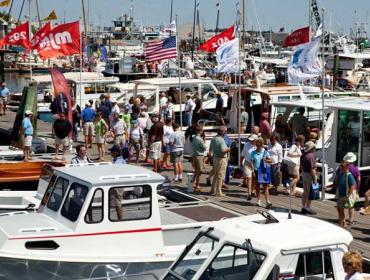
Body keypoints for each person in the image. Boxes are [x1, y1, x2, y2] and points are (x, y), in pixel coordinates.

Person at [250, 137, 272, 208]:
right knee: (257, 187)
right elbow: (252, 163)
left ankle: (267, 201)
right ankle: (258, 200)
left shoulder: (265, 152)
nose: (258, 146)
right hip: (257, 171)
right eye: (257, 145)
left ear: (262, 145)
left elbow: (271, 161)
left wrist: (265, 160)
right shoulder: (253, 153)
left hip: (264, 171)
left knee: (265, 187)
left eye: (259, 145)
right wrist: (253, 171)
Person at [209, 126, 230, 197]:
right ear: (222, 132)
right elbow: (223, 150)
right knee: (221, 176)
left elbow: (210, 148)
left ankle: (212, 189)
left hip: (215, 158)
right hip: (221, 159)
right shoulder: (221, 140)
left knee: (215, 174)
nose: (226, 132)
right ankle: (218, 191)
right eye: (225, 131)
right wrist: (229, 148)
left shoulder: (213, 139)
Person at [334, 161, 356, 228]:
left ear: (347, 167)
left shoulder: (349, 175)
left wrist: (348, 196)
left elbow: (352, 186)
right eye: (341, 166)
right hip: (340, 194)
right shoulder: (340, 174)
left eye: (343, 166)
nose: (341, 167)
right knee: (339, 209)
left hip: (345, 195)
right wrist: (327, 186)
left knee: (340, 209)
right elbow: (336, 184)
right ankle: (343, 223)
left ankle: (342, 224)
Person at [343, 152, 361, 225]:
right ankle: (351, 220)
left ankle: (342, 218)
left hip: (344, 188)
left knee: (342, 204)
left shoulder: (342, 167)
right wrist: (358, 188)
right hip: (352, 188)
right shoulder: (355, 169)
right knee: (351, 205)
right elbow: (359, 179)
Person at [301, 141, 317, 215]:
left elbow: (301, 166)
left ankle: (303, 207)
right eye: (314, 147)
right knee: (310, 192)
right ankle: (307, 208)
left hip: (304, 173)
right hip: (309, 175)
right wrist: (315, 178)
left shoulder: (303, 155)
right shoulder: (311, 156)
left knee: (305, 192)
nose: (315, 148)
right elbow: (312, 169)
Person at [241, 134, 258, 200]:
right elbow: (243, 154)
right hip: (247, 163)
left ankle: (252, 191)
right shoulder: (246, 144)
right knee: (249, 177)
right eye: (251, 140)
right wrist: (240, 163)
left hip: (256, 164)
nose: (251, 141)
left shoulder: (258, 146)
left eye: (252, 140)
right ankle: (249, 193)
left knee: (254, 178)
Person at [192, 124, 206, 192]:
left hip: (195, 155)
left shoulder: (194, 137)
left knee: (196, 171)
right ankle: (197, 185)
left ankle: (193, 183)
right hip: (199, 156)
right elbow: (204, 147)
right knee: (200, 171)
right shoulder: (200, 139)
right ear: (201, 131)